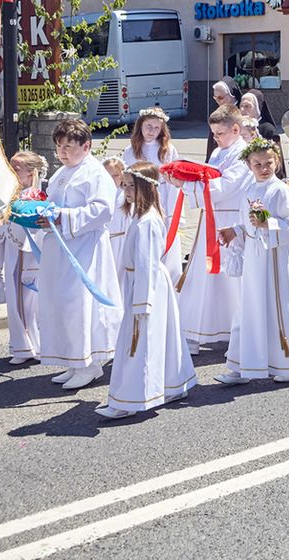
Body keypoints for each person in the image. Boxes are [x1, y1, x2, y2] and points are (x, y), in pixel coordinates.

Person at [98, 163, 197, 419]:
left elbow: (147, 264)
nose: (127, 190)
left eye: (132, 185)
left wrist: (142, 302)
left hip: (146, 286)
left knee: (138, 342)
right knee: (160, 338)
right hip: (141, 283)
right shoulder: (140, 217)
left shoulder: (148, 222)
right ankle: (172, 384)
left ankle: (130, 399)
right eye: (125, 185)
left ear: (146, 187)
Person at [216, 139, 289, 385]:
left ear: (277, 162)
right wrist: (236, 231)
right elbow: (249, 224)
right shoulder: (249, 190)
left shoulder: (280, 190)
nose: (263, 168)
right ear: (249, 166)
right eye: (257, 164)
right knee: (249, 309)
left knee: (279, 308)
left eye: (268, 163)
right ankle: (243, 365)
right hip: (255, 260)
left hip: (277, 261)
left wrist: (268, 224)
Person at [36, 119, 123, 390]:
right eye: (59, 146)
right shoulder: (63, 171)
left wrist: (62, 217)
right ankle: (74, 360)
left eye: (69, 146)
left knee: (79, 303)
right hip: (60, 248)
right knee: (61, 303)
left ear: (87, 146)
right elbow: (53, 203)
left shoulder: (95, 173)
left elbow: (103, 210)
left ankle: (90, 364)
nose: (62, 152)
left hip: (84, 249)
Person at [181, 105, 249, 353]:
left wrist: (187, 187)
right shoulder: (219, 152)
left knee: (230, 280)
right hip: (211, 219)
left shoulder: (243, 154)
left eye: (219, 133)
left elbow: (224, 187)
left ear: (235, 128)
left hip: (230, 222)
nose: (215, 138)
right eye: (213, 133)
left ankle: (238, 330)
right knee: (205, 277)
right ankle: (202, 329)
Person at [0, 150, 48, 364]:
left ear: (31, 173)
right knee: (19, 300)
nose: (11, 171)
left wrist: (4, 226)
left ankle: (27, 347)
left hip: (26, 253)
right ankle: (29, 345)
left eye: (16, 168)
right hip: (14, 251)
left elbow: (27, 228)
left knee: (25, 301)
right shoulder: (14, 193)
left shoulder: (34, 196)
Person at [122, 107, 183, 284]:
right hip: (137, 197)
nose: (152, 131)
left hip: (162, 197)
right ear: (140, 125)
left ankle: (165, 280)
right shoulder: (131, 150)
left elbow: (174, 182)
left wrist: (172, 212)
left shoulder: (168, 150)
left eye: (157, 128)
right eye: (148, 126)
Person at [205, 79, 241, 160]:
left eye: (220, 97)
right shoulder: (217, 113)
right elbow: (211, 145)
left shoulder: (241, 114)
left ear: (232, 95)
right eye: (215, 98)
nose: (217, 101)